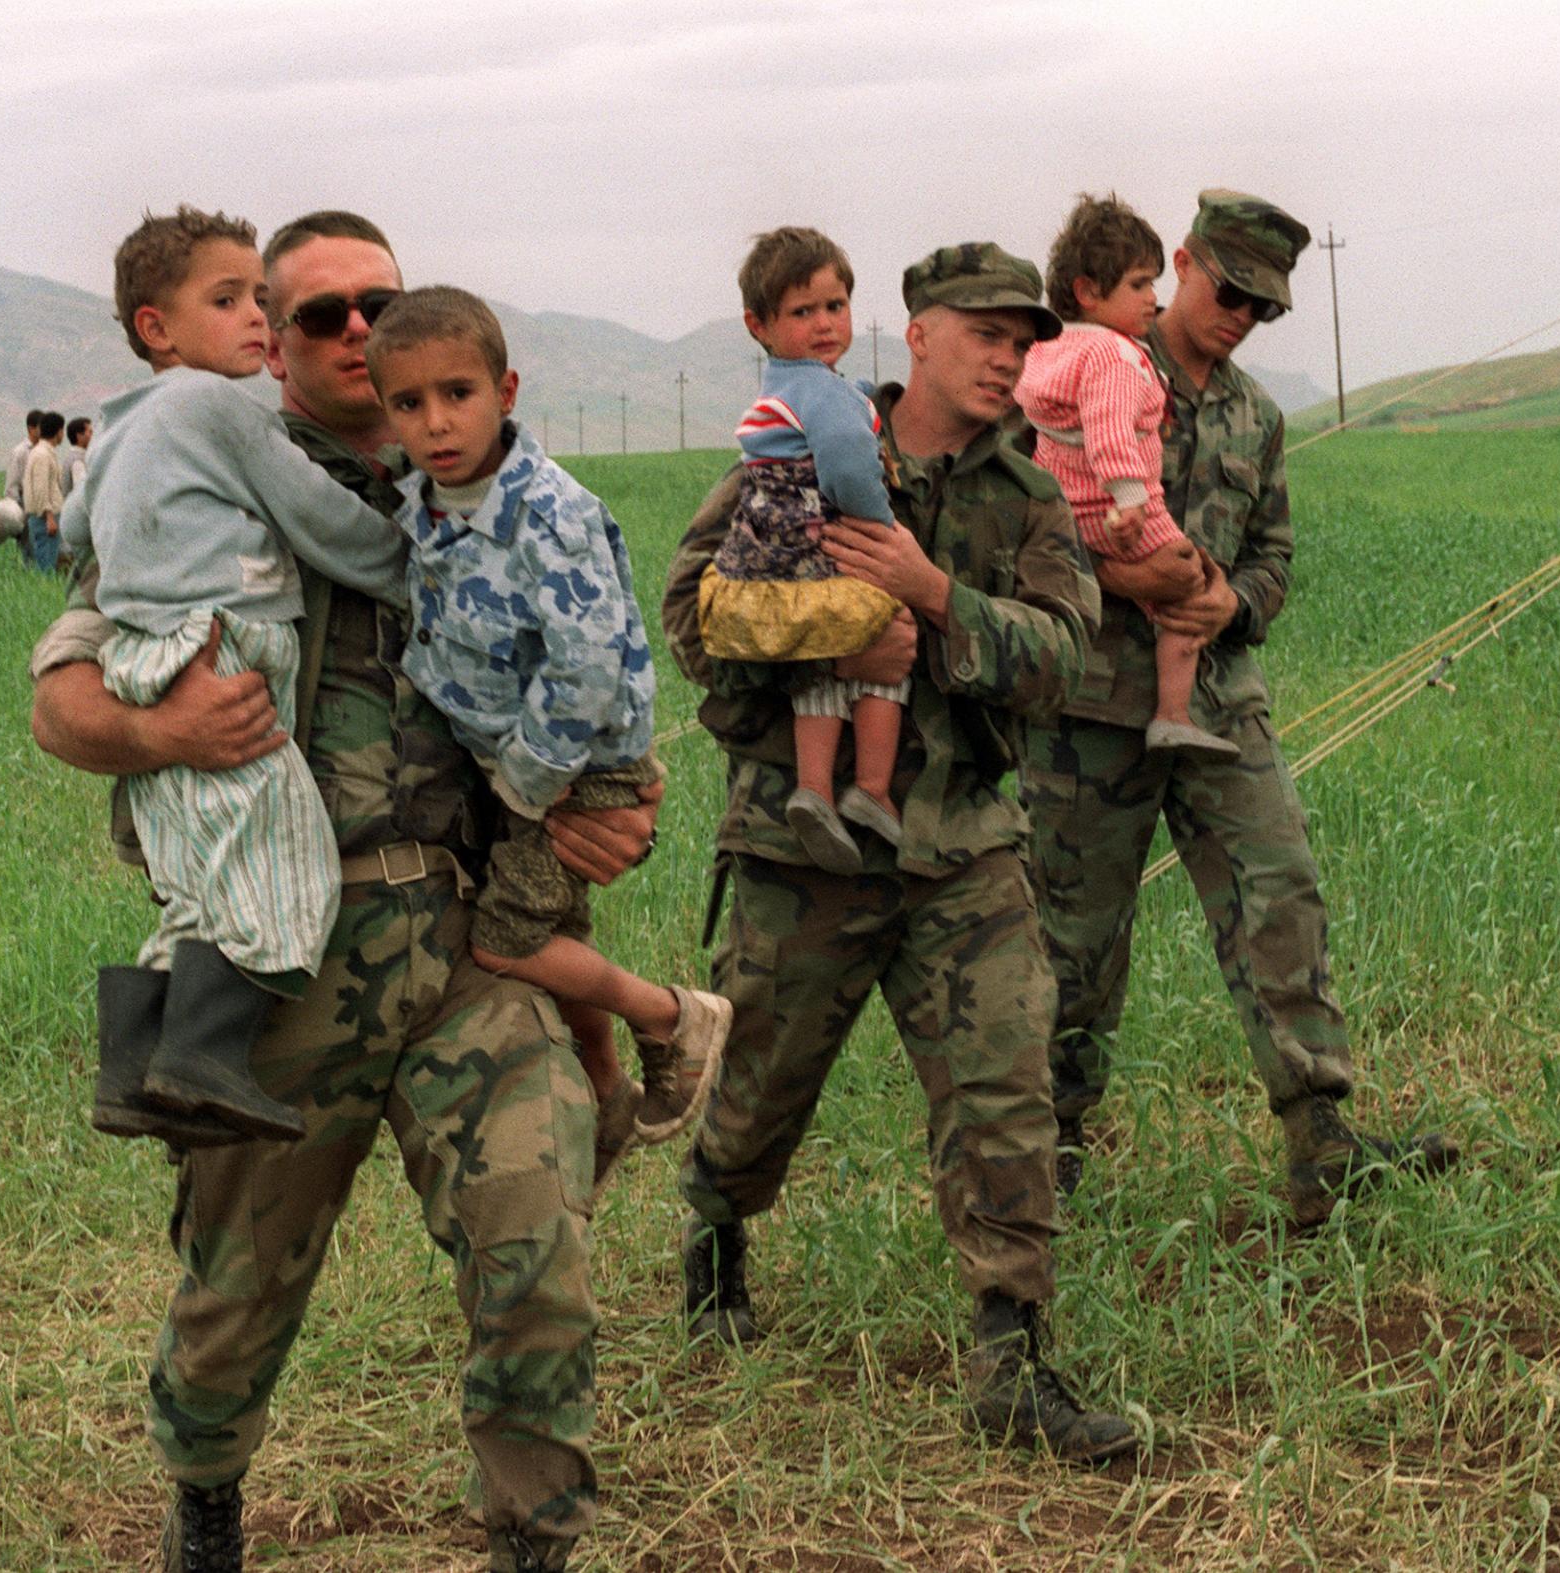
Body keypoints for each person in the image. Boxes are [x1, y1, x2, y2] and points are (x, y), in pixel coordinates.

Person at [30, 208, 631, 1573]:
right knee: (236, 1290)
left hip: (472, 941)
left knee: (538, 1254)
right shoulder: (210, 471)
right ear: (276, 344)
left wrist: (615, 804)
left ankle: (537, 1539)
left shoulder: (488, 489)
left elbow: (588, 662)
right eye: (320, 315)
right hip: (287, 951)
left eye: (384, 304)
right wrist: (161, 733)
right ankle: (206, 1498)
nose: (360, 332)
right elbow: (62, 693)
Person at [661, 242, 1137, 1464]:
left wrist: (933, 597)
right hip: (804, 844)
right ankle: (714, 1240)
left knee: (1006, 1090)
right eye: (980, 330)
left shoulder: (1029, 500)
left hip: (964, 846)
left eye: (1022, 338)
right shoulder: (799, 451)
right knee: (758, 1085)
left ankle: (1011, 1352)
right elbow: (692, 620)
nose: (1005, 355)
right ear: (913, 335)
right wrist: (825, 636)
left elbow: (1063, 661)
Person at [1019, 189, 1460, 1220]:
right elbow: (1023, 508)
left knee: (1282, 896)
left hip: (1220, 702)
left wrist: (1232, 599)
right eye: (1230, 292)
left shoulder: (1256, 416)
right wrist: (1110, 575)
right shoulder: (1097, 362)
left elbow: (1274, 559)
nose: (1242, 316)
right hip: (1091, 707)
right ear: (1181, 262)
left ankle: (1324, 1143)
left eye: (1263, 308)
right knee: (1078, 935)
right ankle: (1048, 1150)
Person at [368, 285, 730, 1188]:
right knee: (557, 926)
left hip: (571, 768)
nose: (437, 421)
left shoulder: (546, 514)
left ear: (507, 389)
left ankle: (676, 1018)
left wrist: (528, 781)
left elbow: (586, 662)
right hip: (523, 764)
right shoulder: (428, 505)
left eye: (458, 393)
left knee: (507, 941)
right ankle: (607, 1094)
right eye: (409, 404)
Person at [64, 204, 410, 1145]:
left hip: (151, 655)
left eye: (260, 297)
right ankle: (202, 1059)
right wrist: (410, 562)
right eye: (232, 300)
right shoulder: (223, 408)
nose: (256, 317)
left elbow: (71, 528)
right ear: (157, 328)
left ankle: (132, 1073)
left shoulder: (118, 425)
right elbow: (318, 519)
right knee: (283, 872)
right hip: (227, 657)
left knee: (201, 888)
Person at [696, 228, 910, 873]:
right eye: (802, 312)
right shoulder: (822, 391)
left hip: (770, 557)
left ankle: (814, 787)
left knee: (815, 660)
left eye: (835, 307)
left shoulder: (787, 386)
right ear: (758, 324)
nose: (824, 324)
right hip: (824, 541)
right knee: (887, 631)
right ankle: (872, 787)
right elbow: (846, 462)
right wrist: (880, 525)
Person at [1016, 194, 1229, 761]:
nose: (1153, 299)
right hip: (1119, 510)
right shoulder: (1114, 355)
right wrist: (1130, 498)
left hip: (1065, 512)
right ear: (1088, 291)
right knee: (1185, 578)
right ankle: (1174, 714)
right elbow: (1109, 431)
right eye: (1138, 285)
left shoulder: (1046, 350)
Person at [22, 411, 67, 572]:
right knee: (46, 563)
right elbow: (41, 488)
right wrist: (49, 517)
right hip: (45, 516)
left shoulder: (45, 452)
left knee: (49, 559)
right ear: (58, 431)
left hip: (47, 515)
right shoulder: (42, 455)